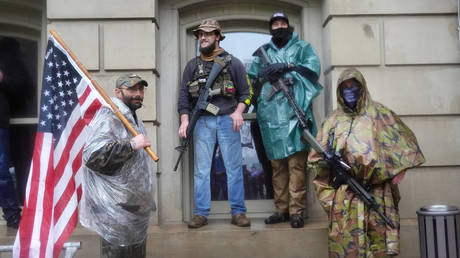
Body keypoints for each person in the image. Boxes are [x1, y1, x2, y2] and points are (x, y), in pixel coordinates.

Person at [308, 68, 425, 257]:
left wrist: (397, 172)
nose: (349, 91)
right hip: (345, 202)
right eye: (345, 87)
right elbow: (316, 162)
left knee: (378, 249)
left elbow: (406, 144)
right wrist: (332, 201)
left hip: (376, 195)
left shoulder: (379, 114)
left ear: (362, 88)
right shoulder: (333, 121)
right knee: (348, 250)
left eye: (353, 87)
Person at [247, 12, 323, 228]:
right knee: (277, 167)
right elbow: (253, 83)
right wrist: (264, 76)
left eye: (283, 23)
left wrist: (288, 67)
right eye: (275, 24)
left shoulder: (302, 48)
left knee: (297, 166)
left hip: (294, 116)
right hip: (271, 120)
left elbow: (312, 72)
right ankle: (281, 209)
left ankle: (296, 211)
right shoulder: (265, 53)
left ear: (288, 26)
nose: (279, 27)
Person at [178, 19, 252, 228]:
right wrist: (184, 121)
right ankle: (201, 213)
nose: (203, 37)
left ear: (218, 36)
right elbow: (183, 97)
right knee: (202, 171)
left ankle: (238, 212)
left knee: (234, 169)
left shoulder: (233, 62)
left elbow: (247, 93)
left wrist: (238, 112)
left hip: (228, 121)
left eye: (208, 34)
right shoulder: (192, 65)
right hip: (202, 122)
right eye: (200, 34)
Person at [80, 73, 155, 258]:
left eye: (140, 89)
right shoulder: (110, 116)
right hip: (114, 208)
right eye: (132, 89)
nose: (138, 94)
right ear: (118, 92)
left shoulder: (132, 118)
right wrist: (130, 145)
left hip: (133, 206)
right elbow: (93, 157)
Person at [0, 37, 28, 229]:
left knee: (1, 170)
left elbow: (25, 87)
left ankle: (12, 214)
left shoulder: (9, 55)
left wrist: (3, 78)